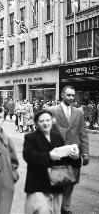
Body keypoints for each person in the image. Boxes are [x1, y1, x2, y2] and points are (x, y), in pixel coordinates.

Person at [23, 110, 80, 214]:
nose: (45, 123)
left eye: (48, 120)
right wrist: (49, 156)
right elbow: (28, 156)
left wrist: (75, 157)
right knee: (40, 211)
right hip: (38, 185)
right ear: (36, 123)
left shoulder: (57, 137)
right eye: (41, 121)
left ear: (52, 121)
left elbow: (64, 159)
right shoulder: (30, 137)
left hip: (56, 185)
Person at [49, 86, 89, 214]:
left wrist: (85, 153)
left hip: (73, 154)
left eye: (73, 95)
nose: (71, 98)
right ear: (62, 95)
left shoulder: (79, 112)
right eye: (68, 95)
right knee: (58, 182)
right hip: (58, 154)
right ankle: (56, 207)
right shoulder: (51, 111)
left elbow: (83, 134)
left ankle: (65, 207)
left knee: (70, 182)